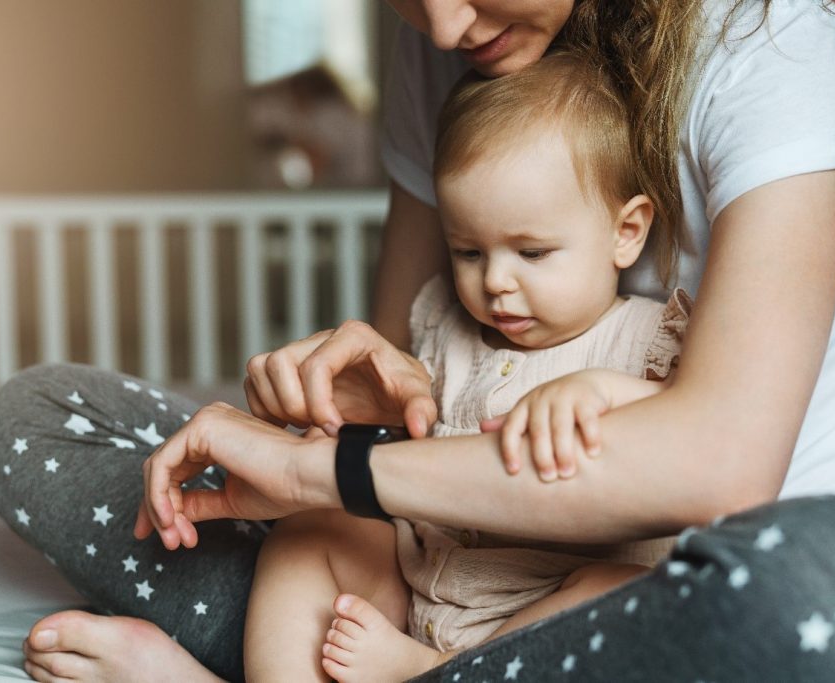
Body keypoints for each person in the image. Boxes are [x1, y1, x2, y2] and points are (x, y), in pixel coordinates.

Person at [0, 1, 835, 682]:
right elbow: (407, 401)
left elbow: (719, 468)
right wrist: (326, 412)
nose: (442, 27)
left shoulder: (767, 40)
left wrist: (316, 472)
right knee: (42, 415)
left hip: (691, 594)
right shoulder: (456, 40)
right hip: (429, 575)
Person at [240, 50, 694, 683]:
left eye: (532, 252)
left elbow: (692, 440)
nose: (497, 282)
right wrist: (336, 421)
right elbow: (395, 447)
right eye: (469, 251)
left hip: (545, 628)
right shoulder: (442, 326)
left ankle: (442, 670)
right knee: (310, 532)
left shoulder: (649, 341)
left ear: (628, 231)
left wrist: (605, 392)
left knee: (628, 591)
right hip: (418, 590)